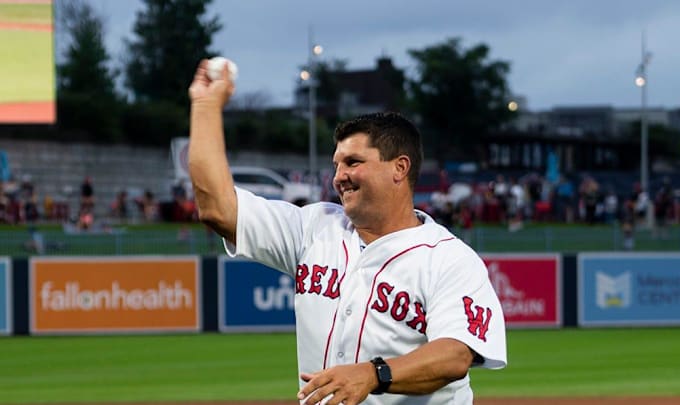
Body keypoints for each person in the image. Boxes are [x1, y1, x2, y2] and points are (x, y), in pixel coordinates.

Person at [188, 60, 506, 405]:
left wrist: (374, 374)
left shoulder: (448, 258)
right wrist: (205, 106)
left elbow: (455, 355)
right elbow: (217, 209)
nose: (338, 176)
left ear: (400, 167)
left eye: (353, 162)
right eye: (336, 164)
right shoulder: (313, 228)